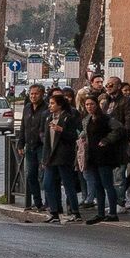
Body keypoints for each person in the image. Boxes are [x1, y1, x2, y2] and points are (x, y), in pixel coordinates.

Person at [83, 93, 124, 224]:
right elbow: (85, 133)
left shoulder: (106, 119)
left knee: (107, 184)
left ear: (97, 105)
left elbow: (119, 129)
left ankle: (112, 212)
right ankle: (100, 213)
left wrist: (107, 140)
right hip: (92, 155)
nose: (89, 107)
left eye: (92, 104)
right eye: (87, 104)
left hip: (105, 155)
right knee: (97, 185)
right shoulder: (87, 120)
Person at [44, 88, 82, 224]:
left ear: (59, 105)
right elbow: (47, 141)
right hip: (51, 156)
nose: (50, 106)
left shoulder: (68, 118)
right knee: (48, 184)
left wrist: (62, 131)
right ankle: (54, 211)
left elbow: (74, 136)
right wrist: (45, 158)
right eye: (50, 103)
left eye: (52, 103)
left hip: (63, 156)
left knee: (68, 184)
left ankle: (75, 211)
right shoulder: (48, 118)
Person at [16, 84, 49, 213]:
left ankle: (49, 202)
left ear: (42, 94)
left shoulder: (47, 108)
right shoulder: (27, 108)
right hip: (29, 146)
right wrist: (20, 143)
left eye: (36, 94)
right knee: (31, 175)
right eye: (31, 94)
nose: (33, 96)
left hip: (42, 146)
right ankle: (37, 202)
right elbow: (23, 126)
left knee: (45, 175)